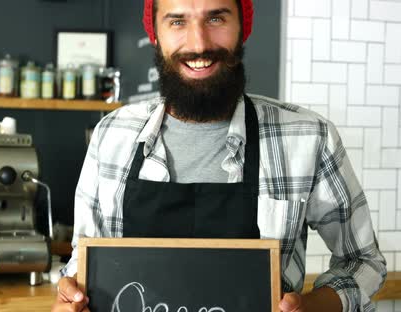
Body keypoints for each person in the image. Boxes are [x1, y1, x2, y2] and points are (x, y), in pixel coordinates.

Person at [52, 0, 387, 311]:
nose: (199, 44)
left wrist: (311, 307)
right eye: (178, 21)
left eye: (216, 18)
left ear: (242, 27)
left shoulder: (308, 137)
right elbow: (84, 257)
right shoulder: (112, 135)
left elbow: (363, 260)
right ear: (156, 35)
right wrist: (71, 294)